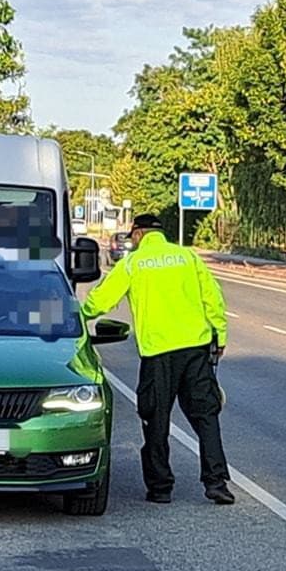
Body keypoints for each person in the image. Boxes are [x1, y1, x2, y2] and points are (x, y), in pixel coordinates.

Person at [81, 213, 235, 505]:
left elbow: (100, 300)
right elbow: (213, 299)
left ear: (138, 234)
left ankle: (160, 487)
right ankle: (216, 483)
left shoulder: (133, 263)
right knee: (206, 416)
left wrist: (74, 318)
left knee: (156, 419)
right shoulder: (188, 258)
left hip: (158, 355)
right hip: (195, 349)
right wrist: (220, 337)